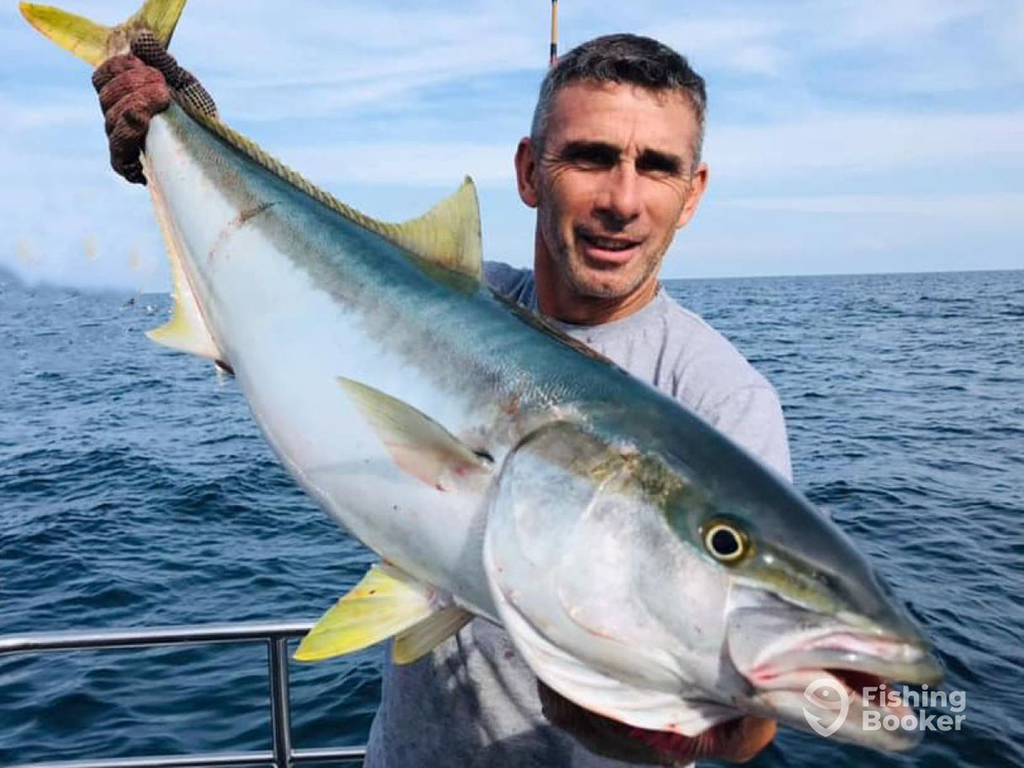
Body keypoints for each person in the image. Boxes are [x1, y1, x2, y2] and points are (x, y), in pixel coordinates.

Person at [93, 32, 788, 767]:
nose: (622, 200)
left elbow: (752, 726)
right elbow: (275, 315)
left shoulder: (721, 400)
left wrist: (672, 733)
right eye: (589, 157)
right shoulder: (448, 296)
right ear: (529, 172)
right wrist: (175, 137)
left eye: (657, 167)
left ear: (693, 194)